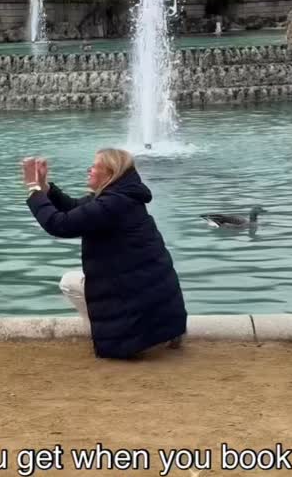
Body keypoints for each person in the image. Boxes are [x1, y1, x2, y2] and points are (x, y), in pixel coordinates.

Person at [22, 149, 187, 359]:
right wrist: (45, 187)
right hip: (156, 304)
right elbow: (74, 208)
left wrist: (33, 189)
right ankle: (159, 334)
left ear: (110, 173)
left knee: (69, 282)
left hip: (133, 303)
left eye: (95, 166)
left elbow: (59, 224)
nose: (89, 170)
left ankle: (114, 336)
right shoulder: (122, 198)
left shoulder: (111, 204)